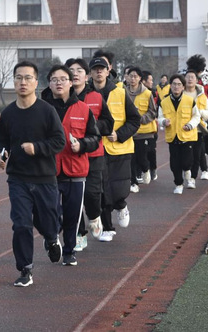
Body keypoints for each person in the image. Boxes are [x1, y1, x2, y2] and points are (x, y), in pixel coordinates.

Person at [0, 61, 66, 287]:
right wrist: (1, 155)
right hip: (18, 179)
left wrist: (37, 148)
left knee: (48, 222)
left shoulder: (47, 111)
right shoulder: (8, 114)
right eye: (18, 78)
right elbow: (2, 141)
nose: (22, 82)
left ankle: (52, 238)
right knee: (21, 224)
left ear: (36, 82)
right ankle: (25, 269)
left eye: (27, 78)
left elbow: (59, 141)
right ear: (14, 81)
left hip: (44, 178)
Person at [41, 65, 100, 267]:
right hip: (48, 171)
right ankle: (51, 238)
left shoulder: (83, 109)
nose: (59, 83)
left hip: (75, 170)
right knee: (50, 212)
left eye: (63, 79)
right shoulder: (41, 109)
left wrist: (81, 145)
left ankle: (69, 252)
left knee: (73, 215)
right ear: (49, 83)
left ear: (70, 83)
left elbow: (95, 138)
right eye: (54, 79)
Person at [89, 55, 140, 242]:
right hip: (96, 149)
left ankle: (121, 204)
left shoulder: (120, 92)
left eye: (102, 69)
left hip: (120, 148)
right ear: (90, 73)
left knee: (119, 187)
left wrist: (119, 134)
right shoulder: (85, 95)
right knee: (101, 189)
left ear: (108, 71)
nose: (99, 72)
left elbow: (135, 120)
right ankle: (107, 228)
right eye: (95, 69)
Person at [65, 58, 114, 250]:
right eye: (71, 70)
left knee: (92, 195)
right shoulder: (61, 99)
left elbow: (108, 124)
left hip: (93, 154)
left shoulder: (96, 97)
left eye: (79, 70)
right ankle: (79, 235)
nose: (75, 73)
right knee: (73, 200)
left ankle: (94, 216)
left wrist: (88, 125)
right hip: (70, 156)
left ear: (86, 76)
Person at [158, 74, 200, 194]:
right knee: (174, 164)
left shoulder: (190, 101)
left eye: (179, 84)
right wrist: (163, 121)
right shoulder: (164, 102)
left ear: (183, 87)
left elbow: (196, 116)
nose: (176, 87)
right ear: (170, 86)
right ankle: (178, 184)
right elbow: (159, 117)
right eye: (174, 84)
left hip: (187, 136)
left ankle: (187, 170)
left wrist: (190, 125)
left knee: (187, 162)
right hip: (172, 137)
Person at [124, 67, 157, 193]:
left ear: (140, 78)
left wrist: (141, 119)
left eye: (135, 76)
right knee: (131, 159)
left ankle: (146, 169)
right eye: (130, 76)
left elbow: (152, 112)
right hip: (128, 131)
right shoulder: (123, 92)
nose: (132, 79)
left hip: (143, 132)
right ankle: (133, 183)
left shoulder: (147, 93)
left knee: (141, 157)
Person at [183, 70, 208, 185]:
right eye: (188, 77)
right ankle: (186, 172)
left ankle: (192, 178)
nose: (190, 79)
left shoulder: (202, 95)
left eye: (192, 77)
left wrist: (199, 112)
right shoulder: (180, 93)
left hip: (198, 129)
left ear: (196, 80)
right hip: (183, 129)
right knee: (185, 156)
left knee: (196, 155)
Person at [141, 70, 159, 181]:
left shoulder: (153, 93)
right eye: (150, 80)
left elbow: (157, 108)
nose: (152, 82)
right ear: (144, 81)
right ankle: (142, 171)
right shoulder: (132, 93)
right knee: (139, 152)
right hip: (137, 130)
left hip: (151, 128)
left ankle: (153, 169)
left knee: (151, 150)